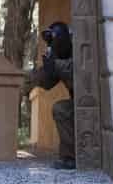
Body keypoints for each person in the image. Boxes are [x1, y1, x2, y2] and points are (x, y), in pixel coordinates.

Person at [23, 21, 76, 170]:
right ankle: (69, 157)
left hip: (96, 106)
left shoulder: (79, 49)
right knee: (61, 108)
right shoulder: (59, 54)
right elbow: (47, 83)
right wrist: (42, 70)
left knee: (62, 109)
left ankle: (70, 158)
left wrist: (56, 64)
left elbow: (77, 70)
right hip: (78, 106)